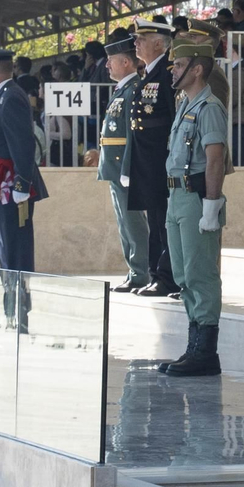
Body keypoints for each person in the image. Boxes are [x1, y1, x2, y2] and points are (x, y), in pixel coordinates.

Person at [161, 38, 229, 377]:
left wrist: (212, 205)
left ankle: (205, 350)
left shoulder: (209, 107)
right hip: (176, 197)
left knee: (200, 273)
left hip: (196, 196)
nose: (173, 70)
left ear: (196, 69)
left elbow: (215, 158)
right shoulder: (184, 104)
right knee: (183, 274)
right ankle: (194, 344)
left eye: (178, 65)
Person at [0, 47, 48, 333]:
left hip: (10, 186)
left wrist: (22, 182)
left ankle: (19, 312)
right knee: (6, 249)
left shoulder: (11, 97)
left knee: (15, 251)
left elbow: (23, 144)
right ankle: (11, 310)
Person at [126, 17, 180, 297]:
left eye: (141, 39)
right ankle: (154, 273)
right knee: (154, 219)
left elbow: (174, 118)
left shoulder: (168, 73)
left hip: (161, 158)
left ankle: (166, 277)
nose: (135, 43)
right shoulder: (148, 74)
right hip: (146, 158)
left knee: (163, 219)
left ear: (159, 43)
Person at [98, 28, 152, 294]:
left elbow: (133, 133)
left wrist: (129, 167)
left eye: (112, 59)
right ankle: (134, 270)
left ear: (127, 62)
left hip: (123, 167)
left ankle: (141, 271)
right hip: (114, 166)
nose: (107, 64)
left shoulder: (133, 90)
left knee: (133, 223)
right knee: (124, 223)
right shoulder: (122, 90)